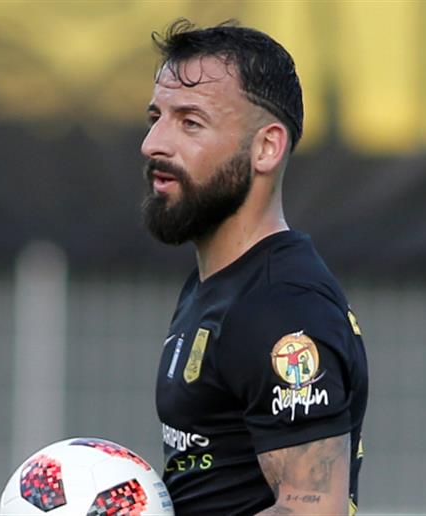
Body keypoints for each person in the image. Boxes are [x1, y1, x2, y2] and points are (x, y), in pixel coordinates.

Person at [141, 19, 369, 515]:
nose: (153, 143)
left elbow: (312, 510)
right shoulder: (218, 285)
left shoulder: (279, 307)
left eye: (190, 122)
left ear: (266, 147)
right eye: (156, 117)